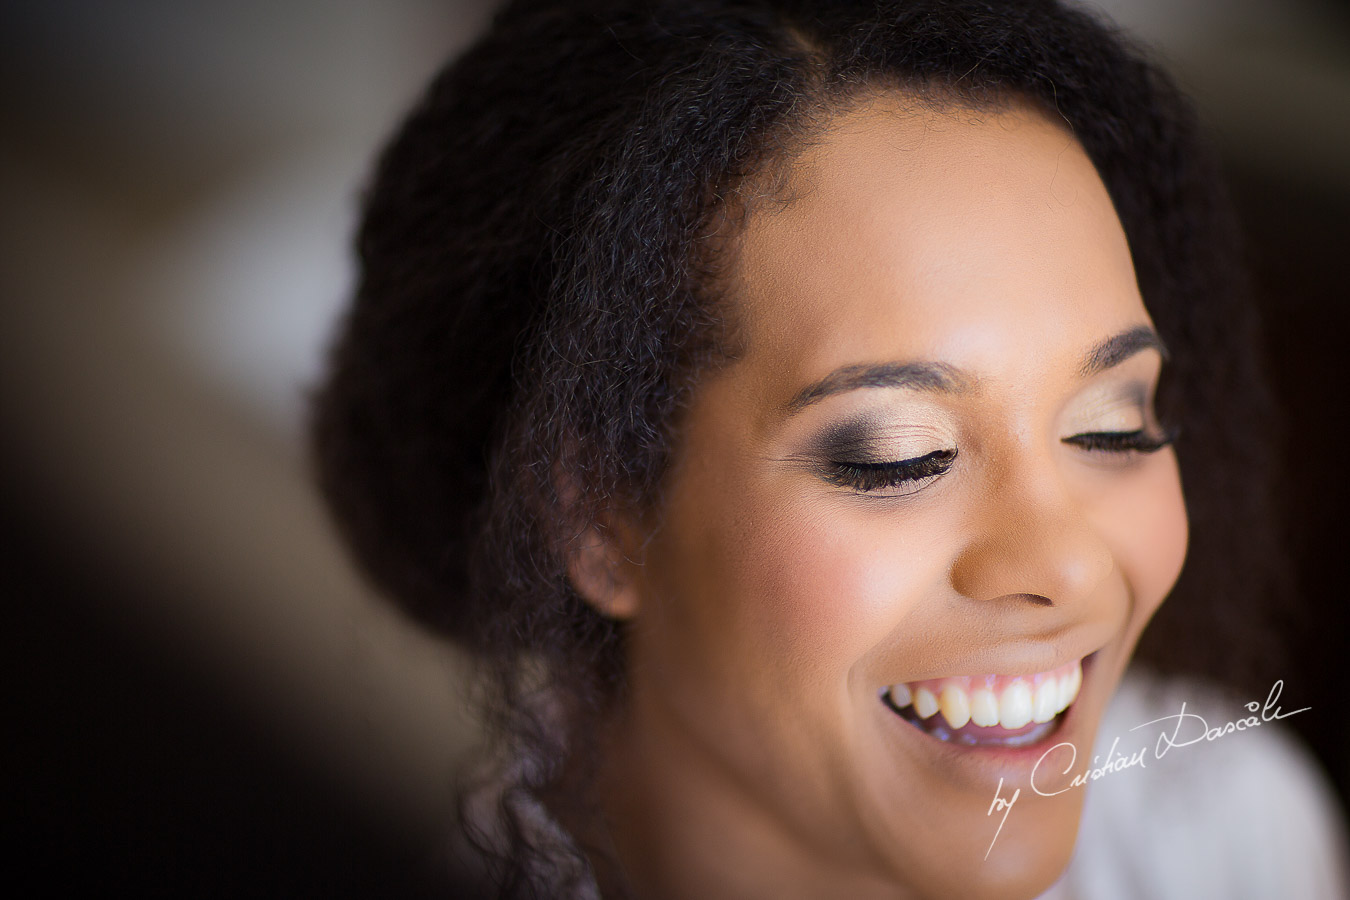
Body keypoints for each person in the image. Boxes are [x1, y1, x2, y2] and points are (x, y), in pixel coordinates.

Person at [311, 1, 1349, 897]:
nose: (1068, 563)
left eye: (1113, 425)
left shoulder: (1227, 836)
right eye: (900, 456)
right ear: (598, 515)